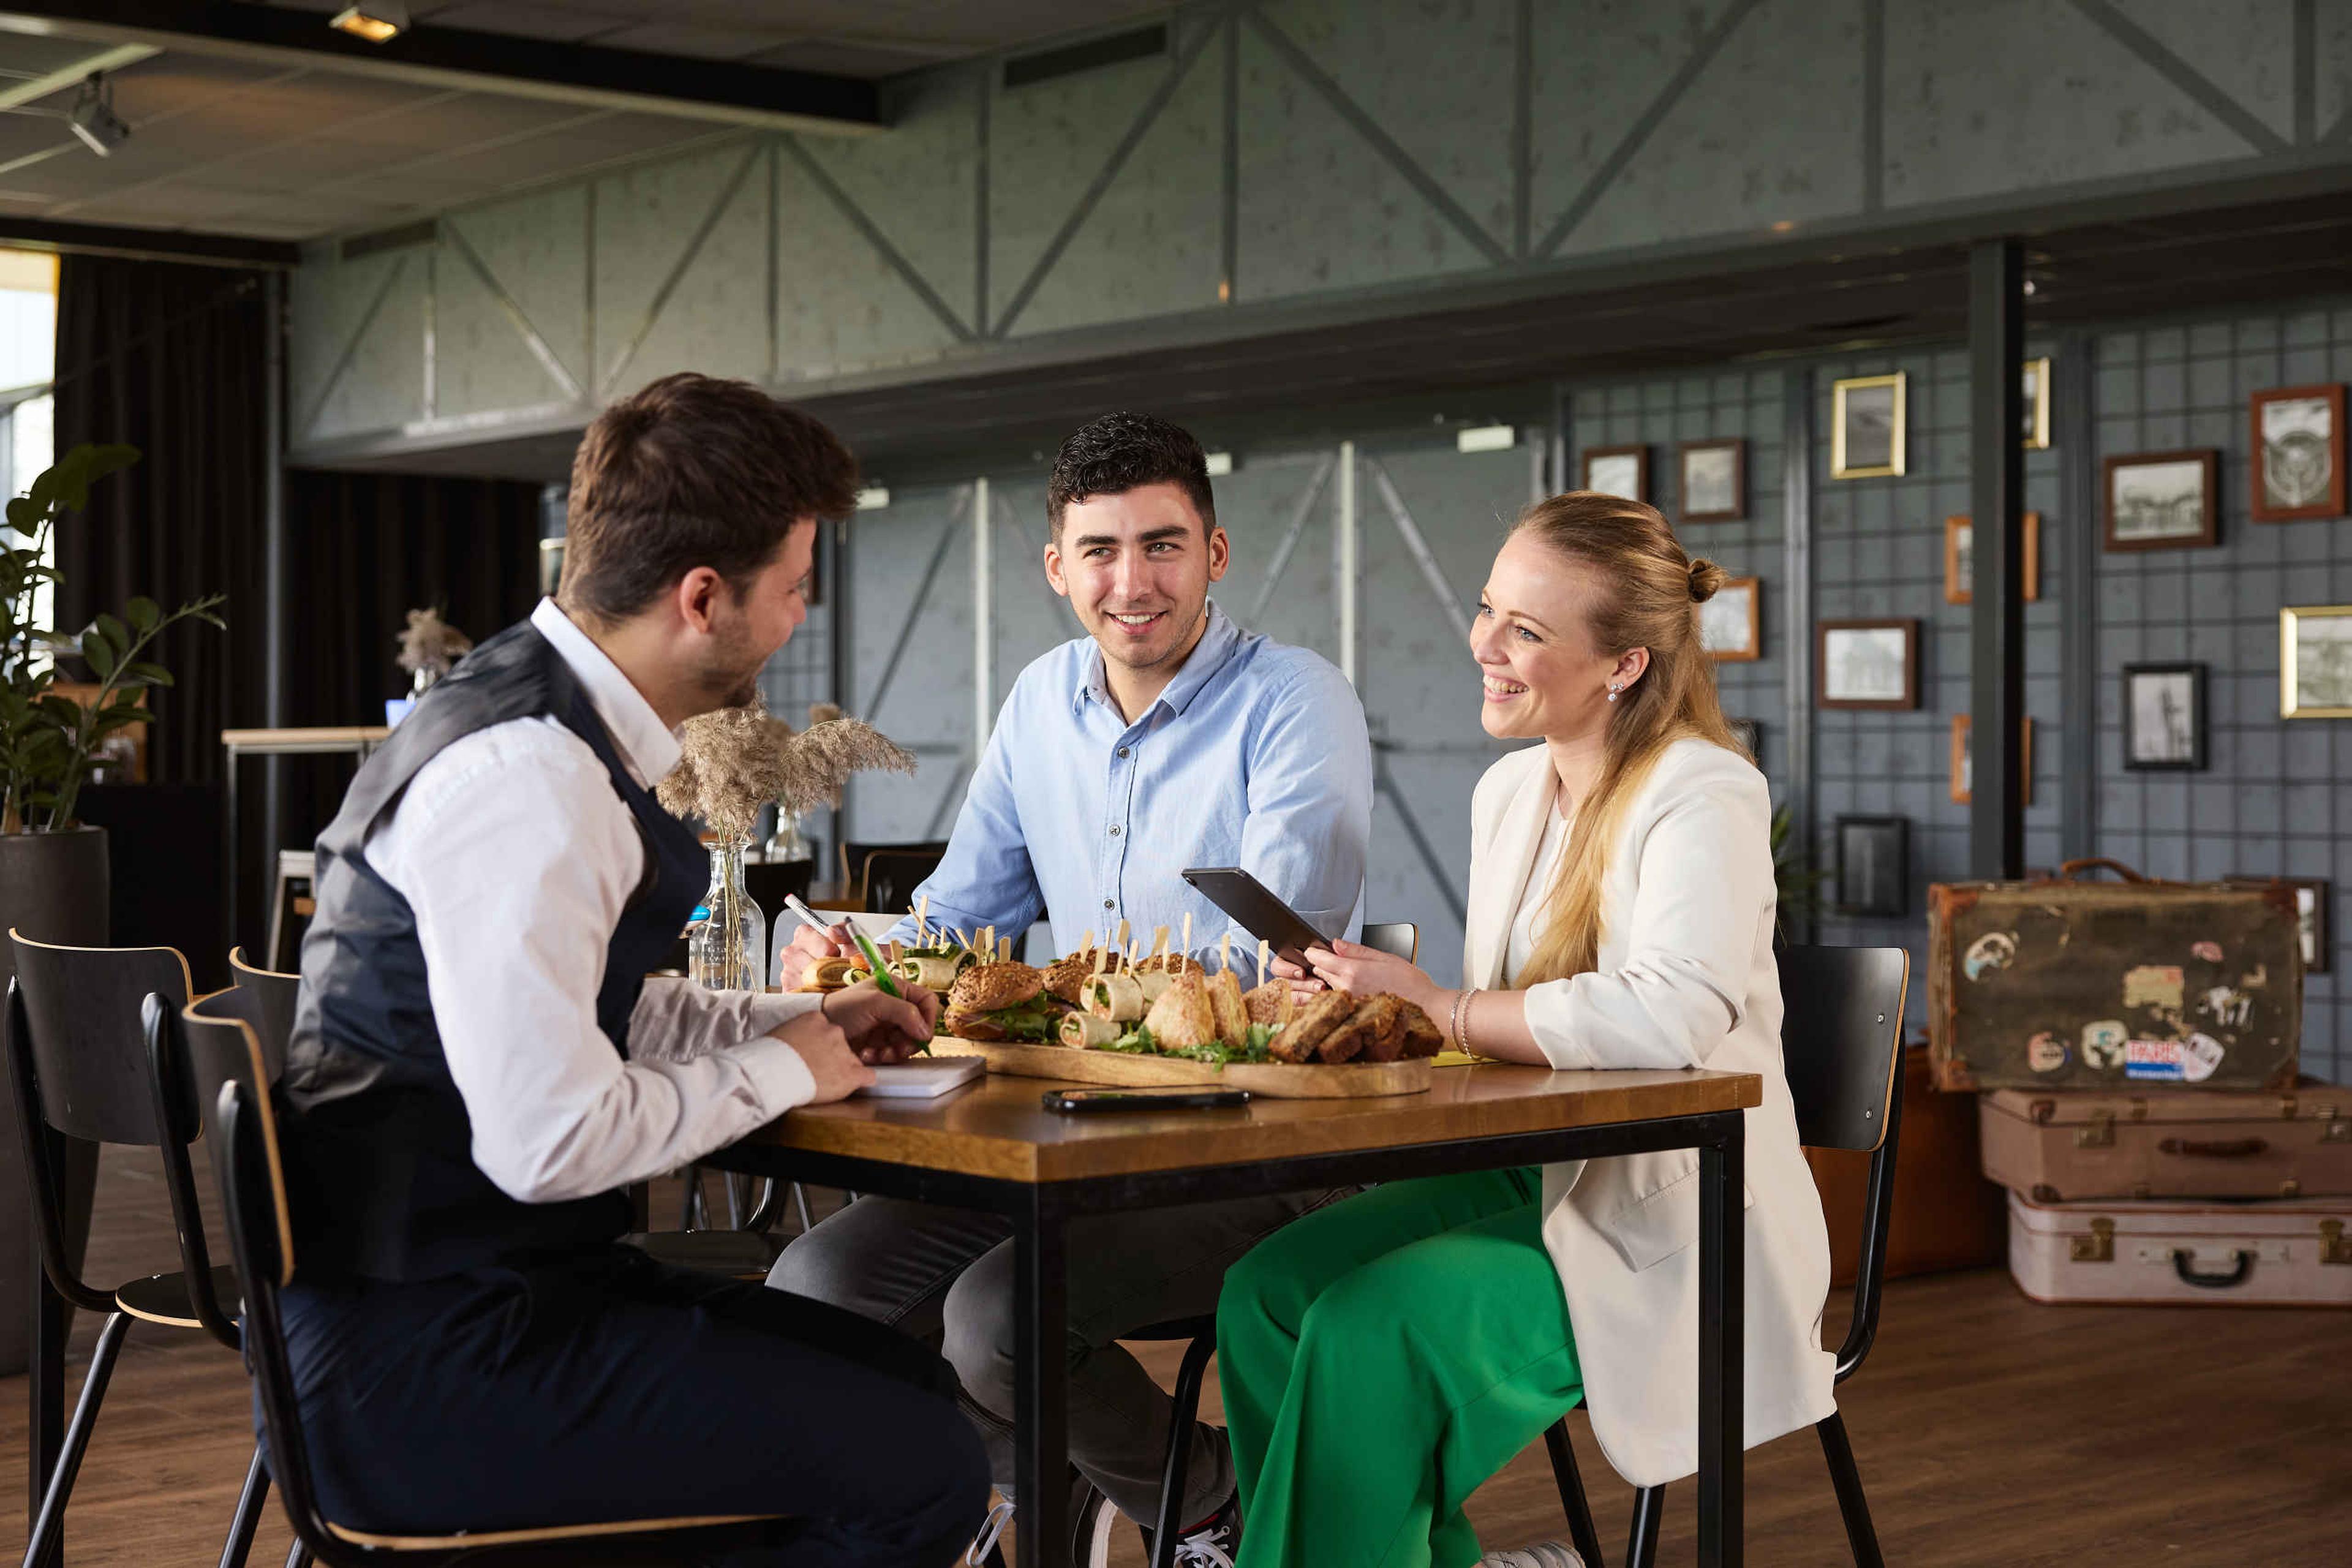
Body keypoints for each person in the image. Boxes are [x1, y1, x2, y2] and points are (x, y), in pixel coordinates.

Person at [275, 372, 987, 1567]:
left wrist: (798, 1019)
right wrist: (787, 1069)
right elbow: (549, 1140)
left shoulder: (525, 717)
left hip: (462, 1305)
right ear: (702, 598)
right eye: (793, 588)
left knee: (907, 1387)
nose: (799, 617)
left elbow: (583, 1008)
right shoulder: (532, 778)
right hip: (426, 1365)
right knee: (926, 1466)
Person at [774, 412, 1373, 1562]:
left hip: (1254, 1150)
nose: (1131, 582)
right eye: (1100, 550)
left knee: (998, 1322)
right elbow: (964, 921)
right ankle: (1047, 1478)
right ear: (1058, 567)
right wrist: (867, 963)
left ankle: (1199, 1502)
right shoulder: (1040, 699)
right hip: (1067, 1134)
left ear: (1215, 554)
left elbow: (1272, 962)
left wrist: (1037, 998)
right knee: (814, 1287)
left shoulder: (1296, 698)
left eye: (1163, 546)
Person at [1216, 492, 1834, 1568]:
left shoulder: (1705, 791)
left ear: (1625, 665)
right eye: (1488, 609)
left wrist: (1442, 1005)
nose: (1485, 646)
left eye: (1527, 631)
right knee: (1267, 1294)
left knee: (1375, 1329)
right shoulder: (1510, 792)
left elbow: (1673, 1010)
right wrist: (1367, 1002)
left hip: (1683, 1209)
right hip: (1534, 1168)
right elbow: (1512, 1030)